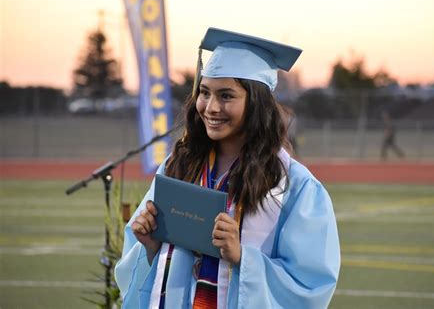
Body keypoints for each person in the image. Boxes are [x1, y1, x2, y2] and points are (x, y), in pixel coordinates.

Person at [115, 27, 340, 309]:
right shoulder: (178, 167)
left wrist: (242, 257)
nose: (210, 107)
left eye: (226, 96)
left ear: (256, 104)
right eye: (205, 92)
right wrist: (148, 245)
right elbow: (138, 267)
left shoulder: (293, 186)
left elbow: (311, 285)